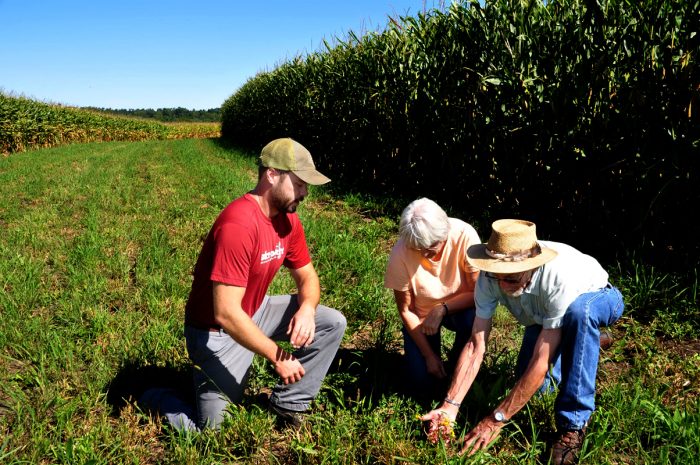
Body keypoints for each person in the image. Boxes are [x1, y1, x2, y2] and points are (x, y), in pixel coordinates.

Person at [142, 137, 346, 431]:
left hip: (254, 311)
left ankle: (288, 404)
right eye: (300, 183)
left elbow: (308, 276)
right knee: (212, 433)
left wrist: (307, 309)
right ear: (272, 174)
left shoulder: (288, 220)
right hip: (217, 332)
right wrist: (278, 356)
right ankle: (156, 396)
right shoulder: (239, 224)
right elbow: (225, 312)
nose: (305, 193)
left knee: (332, 322)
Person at [421, 219, 624, 465]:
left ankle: (574, 425)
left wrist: (496, 419)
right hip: (544, 318)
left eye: (512, 280)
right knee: (534, 393)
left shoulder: (558, 278)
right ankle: (581, 344)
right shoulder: (490, 277)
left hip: (599, 297)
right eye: (498, 278)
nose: (503, 286)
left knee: (580, 314)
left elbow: (541, 362)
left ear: (532, 266)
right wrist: (449, 407)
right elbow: (476, 345)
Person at [384, 198, 481, 401]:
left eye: (432, 246)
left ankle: (458, 363)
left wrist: (441, 309)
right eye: (419, 248)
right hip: (420, 318)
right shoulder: (400, 253)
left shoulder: (465, 235)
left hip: (461, 308)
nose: (425, 253)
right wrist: (429, 356)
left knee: (473, 319)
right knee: (421, 382)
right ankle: (433, 360)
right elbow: (406, 310)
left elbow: (479, 293)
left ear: (445, 232)